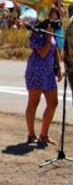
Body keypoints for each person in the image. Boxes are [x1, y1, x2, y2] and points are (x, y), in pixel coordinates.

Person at [24, 10, 62, 145]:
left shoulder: (52, 32)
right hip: (36, 70)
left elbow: (55, 49)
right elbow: (43, 52)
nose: (55, 18)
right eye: (53, 15)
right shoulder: (36, 31)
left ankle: (44, 135)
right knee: (34, 102)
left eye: (56, 16)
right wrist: (49, 31)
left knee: (53, 103)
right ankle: (31, 135)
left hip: (48, 72)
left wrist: (58, 67)